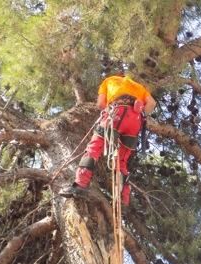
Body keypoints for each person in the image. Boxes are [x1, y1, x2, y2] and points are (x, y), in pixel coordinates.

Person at [59, 74, 156, 206]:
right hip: (135, 120)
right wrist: (140, 114)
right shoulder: (139, 87)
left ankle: (80, 185)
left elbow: (100, 104)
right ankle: (124, 199)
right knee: (122, 161)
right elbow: (152, 103)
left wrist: (108, 111)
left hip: (116, 112)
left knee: (94, 148)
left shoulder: (108, 81)